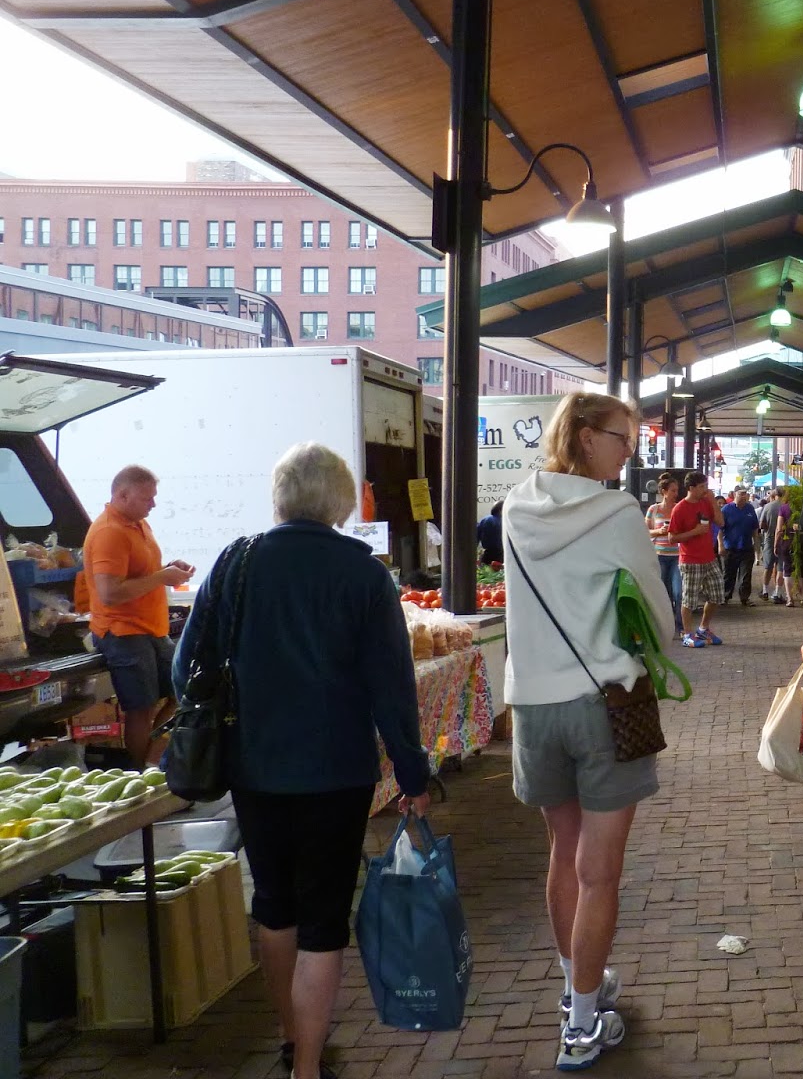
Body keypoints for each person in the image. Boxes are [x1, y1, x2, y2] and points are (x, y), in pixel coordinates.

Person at [173, 443, 430, 1079]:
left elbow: (185, 670)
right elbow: (391, 690)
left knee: (274, 903)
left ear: (281, 496)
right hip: (336, 771)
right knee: (324, 915)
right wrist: (412, 772)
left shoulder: (234, 562)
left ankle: (289, 1038)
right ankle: (309, 1065)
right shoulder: (365, 576)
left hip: (253, 766)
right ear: (341, 503)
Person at [501, 393, 674, 1072]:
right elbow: (660, 617)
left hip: (535, 705)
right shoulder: (615, 511)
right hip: (606, 700)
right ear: (582, 435)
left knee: (562, 852)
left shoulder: (515, 505)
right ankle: (580, 1022)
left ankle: (580, 982)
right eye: (621, 439)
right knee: (599, 873)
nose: (628, 453)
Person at [83, 465, 195, 767]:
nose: (154, 505)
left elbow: (141, 572)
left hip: (151, 628)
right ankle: (138, 771)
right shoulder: (110, 531)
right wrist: (162, 577)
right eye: (148, 499)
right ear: (123, 495)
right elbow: (109, 593)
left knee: (182, 689)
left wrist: (170, 568)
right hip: (123, 632)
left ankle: (150, 756)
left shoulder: (138, 523)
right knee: (140, 708)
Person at [667, 472, 725, 647]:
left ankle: (703, 628)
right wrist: (695, 532)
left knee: (716, 594)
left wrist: (713, 500)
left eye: (706, 486)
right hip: (690, 560)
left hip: (709, 558)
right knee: (689, 599)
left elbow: (720, 522)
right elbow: (672, 538)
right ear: (691, 488)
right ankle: (687, 633)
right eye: (701, 487)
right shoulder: (680, 508)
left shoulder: (706, 502)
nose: (705, 490)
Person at [646, 474, 684, 636]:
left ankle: (680, 624)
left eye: (677, 490)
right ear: (663, 491)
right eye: (673, 490)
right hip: (659, 555)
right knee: (663, 592)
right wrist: (658, 531)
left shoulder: (678, 509)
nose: (676, 493)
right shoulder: (653, 510)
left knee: (678, 591)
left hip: (677, 556)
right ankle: (664, 625)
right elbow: (645, 531)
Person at [720, 489, 761, 606]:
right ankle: (725, 596)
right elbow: (720, 529)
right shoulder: (726, 509)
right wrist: (721, 545)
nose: (743, 497)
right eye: (740, 494)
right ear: (734, 495)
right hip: (730, 548)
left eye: (745, 495)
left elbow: (755, 528)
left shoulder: (750, 509)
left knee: (746, 575)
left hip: (746, 547)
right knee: (729, 574)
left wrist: (756, 544)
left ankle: (745, 598)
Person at [757, 494, 789, 602]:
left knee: (768, 566)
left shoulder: (768, 506)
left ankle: (765, 591)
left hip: (770, 538)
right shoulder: (787, 507)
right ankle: (777, 592)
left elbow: (761, 524)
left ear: (775, 495)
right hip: (785, 538)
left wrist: (768, 528)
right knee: (780, 568)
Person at [477, 500, 505, 568]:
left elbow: (476, 536)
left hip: (487, 554)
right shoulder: (504, 521)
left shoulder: (485, 520)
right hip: (501, 554)